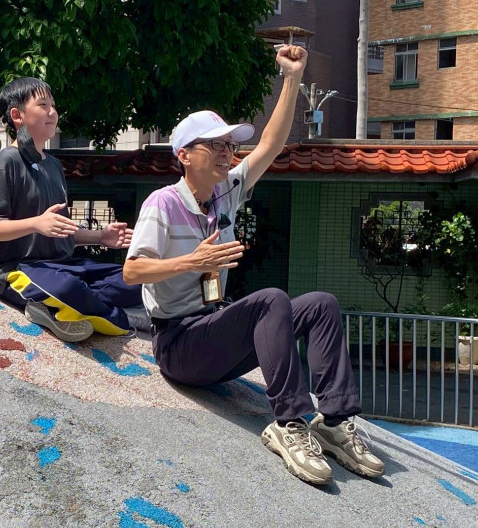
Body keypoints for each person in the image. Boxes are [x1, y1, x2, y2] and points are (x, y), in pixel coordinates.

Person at [123, 45, 383, 486]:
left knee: (320, 304)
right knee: (270, 300)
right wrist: (194, 260)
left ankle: (334, 421)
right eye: (217, 146)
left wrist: (293, 79)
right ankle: (288, 422)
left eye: (230, 145)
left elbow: (270, 144)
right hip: (180, 345)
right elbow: (132, 271)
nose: (228, 153)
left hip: (215, 329)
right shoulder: (161, 204)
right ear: (185, 154)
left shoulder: (226, 192)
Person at [0, 77, 140, 342]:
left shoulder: (54, 165)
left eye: (53, 105)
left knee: (135, 278)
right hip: (15, 270)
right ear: (17, 115)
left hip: (63, 265)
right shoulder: (5, 162)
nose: (52, 112)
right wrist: (35, 223)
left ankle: (62, 307)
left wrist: (100, 237)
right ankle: (109, 315)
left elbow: (61, 230)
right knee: (68, 287)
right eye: (43, 105)